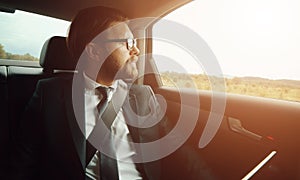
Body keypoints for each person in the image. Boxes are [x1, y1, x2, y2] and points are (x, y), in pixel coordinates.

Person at [11, 6, 217, 180]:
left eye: (135, 43)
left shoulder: (143, 96)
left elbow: (180, 153)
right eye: (127, 43)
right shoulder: (50, 95)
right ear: (94, 51)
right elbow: (22, 163)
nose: (136, 51)